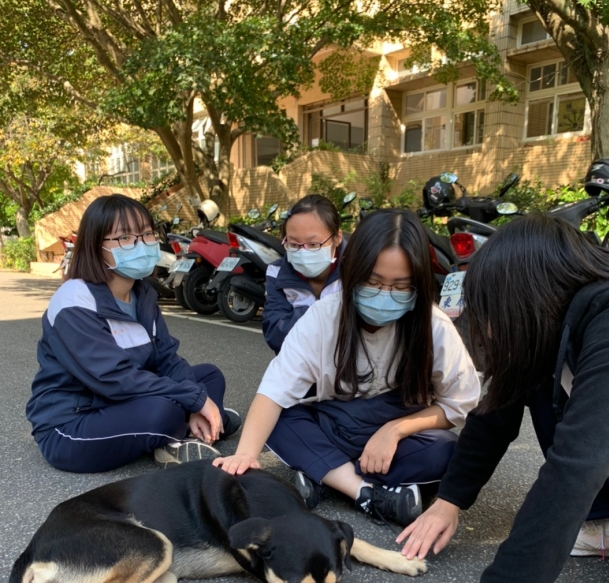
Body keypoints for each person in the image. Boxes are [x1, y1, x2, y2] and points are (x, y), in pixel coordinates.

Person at [397, 213, 609, 583]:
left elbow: (581, 457)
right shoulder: (555, 322)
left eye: (489, 313)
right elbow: (494, 414)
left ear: (523, 297)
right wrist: (449, 501)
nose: (485, 330)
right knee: (541, 388)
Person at [215, 209, 481, 526]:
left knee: (447, 452)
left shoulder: (433, 326)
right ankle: (365, 492)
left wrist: (393, 431)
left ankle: (323, 474)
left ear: (420, 286)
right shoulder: (324, 317)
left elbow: (460, 403)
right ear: (352, 272)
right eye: (373, 282)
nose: (385, 295)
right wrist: (245, 455)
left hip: (397, 420)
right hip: (336, 420)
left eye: (401, 286)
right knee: (279, 418)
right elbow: (274, 391)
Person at [26, 194, 240, 473]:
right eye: (125, 238)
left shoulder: (142, 294)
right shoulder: (74, 300)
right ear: (95, 246)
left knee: (208, 375)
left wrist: (195, 397)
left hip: (125, 402)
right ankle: (191, 427)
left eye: (147, 234)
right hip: (73, 424)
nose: (141, 244)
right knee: (165, 410)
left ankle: (183, 431)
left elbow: (166, 359)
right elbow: (114, 378)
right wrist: (196, 401)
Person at [262, 194, 345, 353]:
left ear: (337, 238)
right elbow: (275, 334)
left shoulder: (358, 270)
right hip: (297, 369)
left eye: (313, 244)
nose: (302, 252)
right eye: (293, 244)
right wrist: (328, 316)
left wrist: (300, 319)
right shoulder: (276, 273)